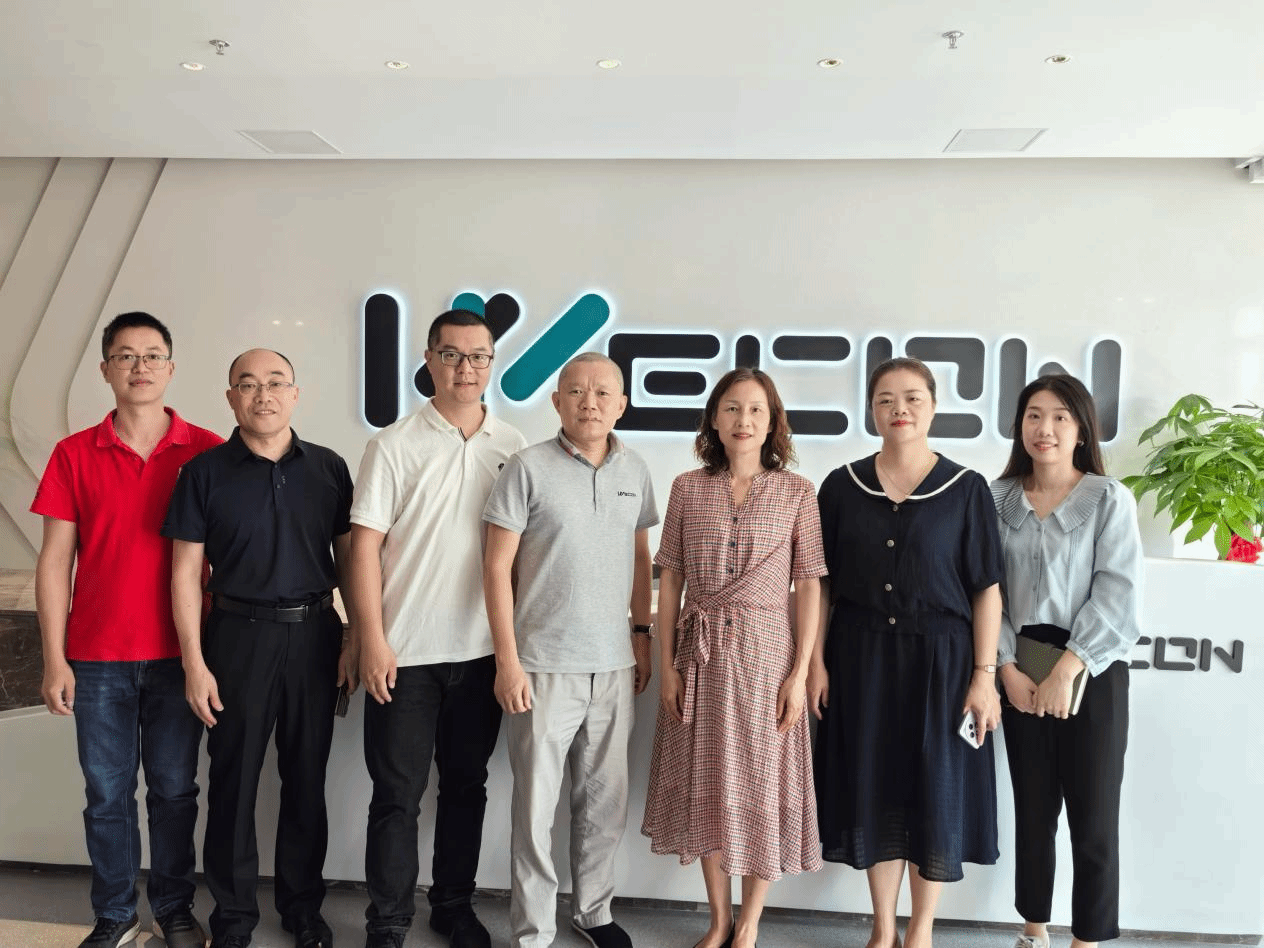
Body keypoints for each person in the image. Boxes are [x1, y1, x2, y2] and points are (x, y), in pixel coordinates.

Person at [31, 312, 221, 948]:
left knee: (174, 792)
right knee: (106, 795)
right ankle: (115, 914)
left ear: (171, 367)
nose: (140, 367)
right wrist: (54, 658)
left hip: (180, 656)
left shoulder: (207, 450)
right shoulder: (73, 454)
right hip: (96, 658)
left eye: (152, 355)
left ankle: (173, 908)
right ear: (105, 369)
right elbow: (55, 561)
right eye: (126, 355)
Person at [163, 349, 355, 948]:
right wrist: (194, 663)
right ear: (231, 398)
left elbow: (351, 559)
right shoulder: (203, 473)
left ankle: (303, 910)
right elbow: (185, 572)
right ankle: (233, 918)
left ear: (295, 394)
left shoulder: (328, 467)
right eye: (247, 385)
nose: (262, 395)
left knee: (307, 778)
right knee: (234, 782)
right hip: (236, 638)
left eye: (275, 383)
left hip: (316, 635)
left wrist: (354, 636)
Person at [810, 357, 1004, 948]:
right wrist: (815, 662)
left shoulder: (966, 488)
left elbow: (986, 589)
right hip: (860, 658)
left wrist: (984, 675)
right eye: (886, 399)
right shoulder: (841, 487)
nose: (900, 410)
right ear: (871, 410)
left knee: (934, 792)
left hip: (943, 663)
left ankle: (920, 931)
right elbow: (819, 583)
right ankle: (882, 927)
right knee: (874, 789)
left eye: (913, 398)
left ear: (934, 407)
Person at [347, 309, 526, 948]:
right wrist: (371, 639)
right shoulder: (393, 445)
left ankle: (453, 906)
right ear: (428, 361)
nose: (465, 368)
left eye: (478, 357)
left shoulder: (514, 447)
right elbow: (362, 548)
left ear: (491, 364)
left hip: (481, 652)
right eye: (451, 355)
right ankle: (389, 921)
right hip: (405, 654)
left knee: (466, 789)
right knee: (396, 796)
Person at [641, 368, 826, 948]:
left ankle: (749, 924)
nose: (743, 420)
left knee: (760, 784)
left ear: (772, 424)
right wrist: (668, 664)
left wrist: (800, 672)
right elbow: (671, 579)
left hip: (767, 654)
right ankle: (719, 919)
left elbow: (809, 583)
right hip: (699, 653)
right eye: (731, 409)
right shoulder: (686, 487)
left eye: (755, 410)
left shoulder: (797, 491)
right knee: (708, 782)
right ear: (714, 421)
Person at [482, 352, 657, 948]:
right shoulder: (526, 468)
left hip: (614, 667)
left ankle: (594, 911)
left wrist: (641, 635)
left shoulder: (636, 469)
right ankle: (533, 930)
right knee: (535, 809)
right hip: (541, 667)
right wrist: (508, 661)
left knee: (604, 803)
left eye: (603, 393)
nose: (590, 402)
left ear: (622, 404)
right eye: (577, 392)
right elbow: (496, 567)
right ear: (556, 401)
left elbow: (640, 557)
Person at [991, 374, 1143, 948]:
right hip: (1019, 666)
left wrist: (1067, 668)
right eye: (1034, 415)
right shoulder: (995, 499)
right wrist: (1006, 668)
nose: (1045, 428)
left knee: (1094, 817)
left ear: (1081, 429)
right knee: (1033, 813)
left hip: (1092, 672)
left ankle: (1088, 940)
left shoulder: (1108, 498)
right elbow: (986, 592)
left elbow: (1117, 592)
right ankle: (1034, 929)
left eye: (1060, 416)